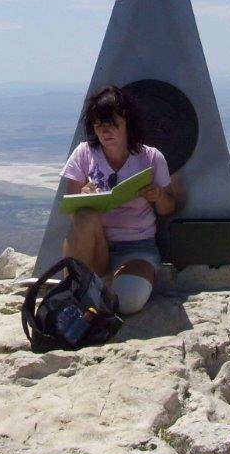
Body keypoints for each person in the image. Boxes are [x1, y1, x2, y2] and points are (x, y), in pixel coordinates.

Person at [60, 84, 175, 315]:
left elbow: (169, 208)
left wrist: (159, 195)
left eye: (112, 123)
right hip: (96, 245)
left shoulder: (151, 157)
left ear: (127, 124)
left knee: (127, 302)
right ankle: (88, 286)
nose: (105, 131)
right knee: (85, 216)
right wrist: (83, 197)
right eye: (99, 125)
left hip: (136, 247)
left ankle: (100, 287)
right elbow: (71, 211)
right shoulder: (84, 154)